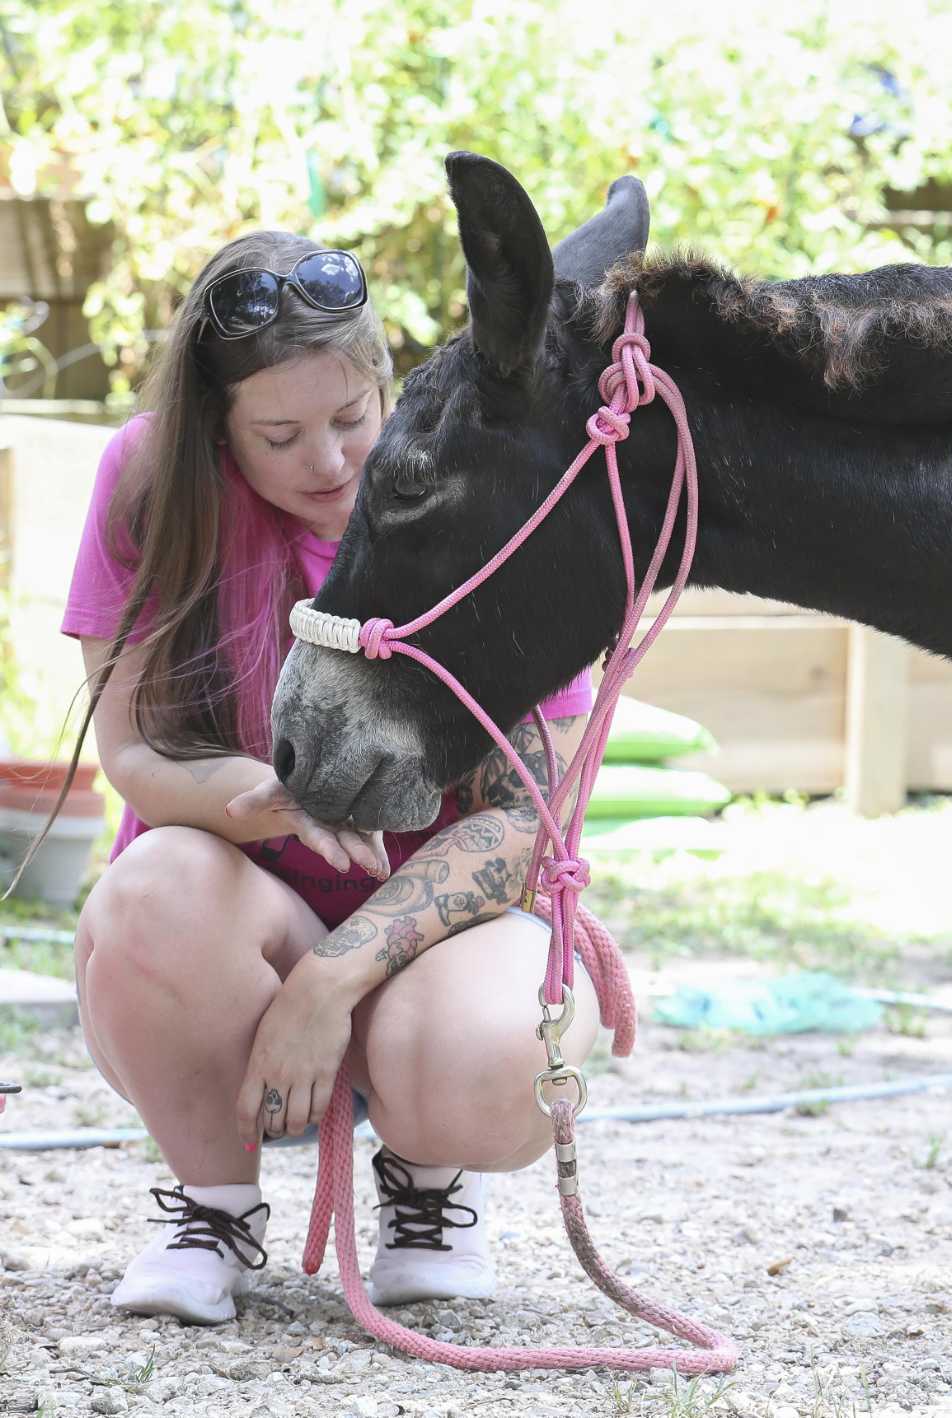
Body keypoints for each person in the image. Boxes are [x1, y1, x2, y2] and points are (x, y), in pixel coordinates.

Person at [60, 232, 599, 1325]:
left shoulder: (488, 496)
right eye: (280, 434)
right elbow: (130, 755)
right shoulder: (147, 481)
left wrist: (328, 981)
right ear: (217, 429)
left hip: (437, 947)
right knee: (152, 888)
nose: (330, 461)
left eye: (353, 418)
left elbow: (524, 826)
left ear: (386, 385)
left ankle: (427, 1178)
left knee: (495, 1047)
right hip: (229, 944)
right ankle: (211, 1201)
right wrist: (251, 794)